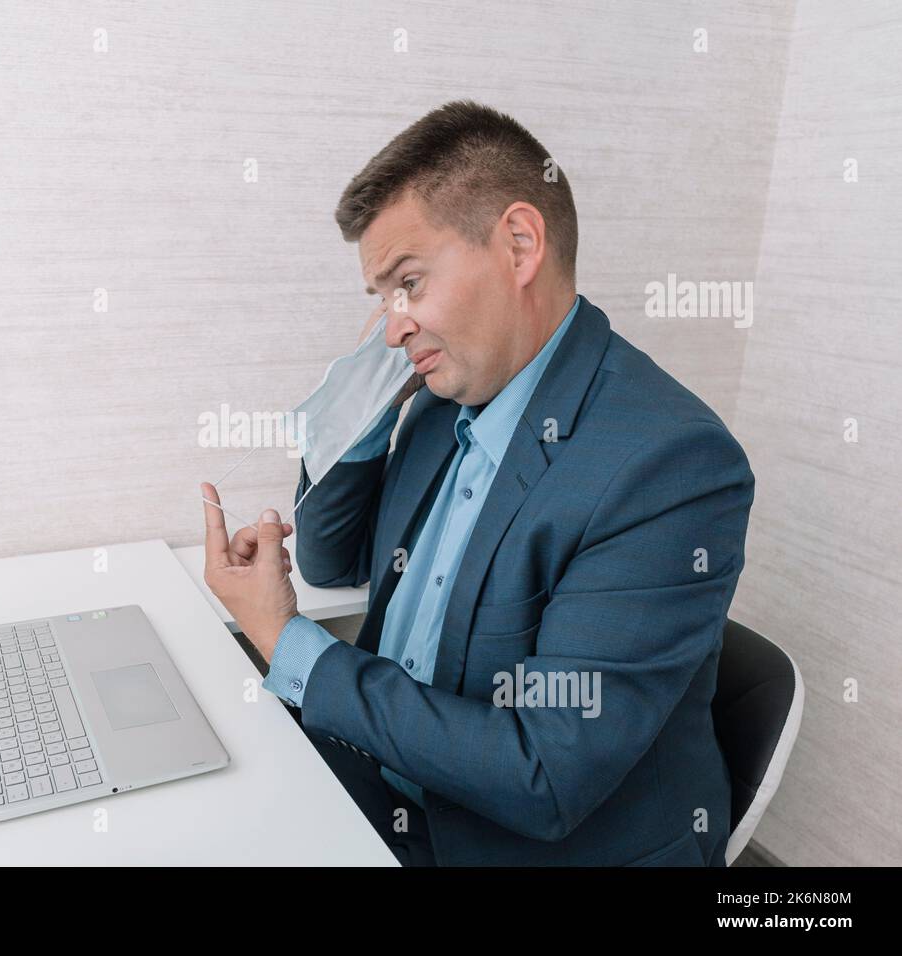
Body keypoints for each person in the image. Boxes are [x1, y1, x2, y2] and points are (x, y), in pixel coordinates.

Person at [201, 100, 753, 866]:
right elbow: (330, 558)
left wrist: (287, 643)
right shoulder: (444, 400)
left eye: (410, 282)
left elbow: (543, 774)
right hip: (388, 783)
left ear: (520, 244)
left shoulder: (669, 465)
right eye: (381, 301)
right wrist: (369, 385)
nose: (394, 324)